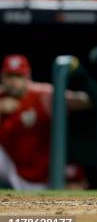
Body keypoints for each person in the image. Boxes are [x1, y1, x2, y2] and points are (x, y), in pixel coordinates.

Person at [0, 55, 90, 189]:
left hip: (39, 177)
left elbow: (84, 100)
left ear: (27, 77)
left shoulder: (41, 94)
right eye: (10, 76)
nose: (13, 81)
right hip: (10, 168)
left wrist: (61, 101)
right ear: (2, 77)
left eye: (18, 76)